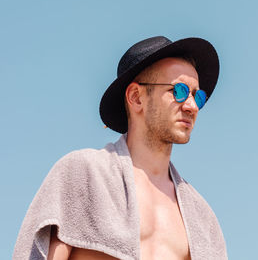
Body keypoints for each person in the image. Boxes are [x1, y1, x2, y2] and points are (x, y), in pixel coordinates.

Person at [13, 36, 228, 260]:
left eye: (197, 96)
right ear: (136, 97)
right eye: (179, 91)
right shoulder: (84, 175)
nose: (192, 106)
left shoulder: (202, 219)